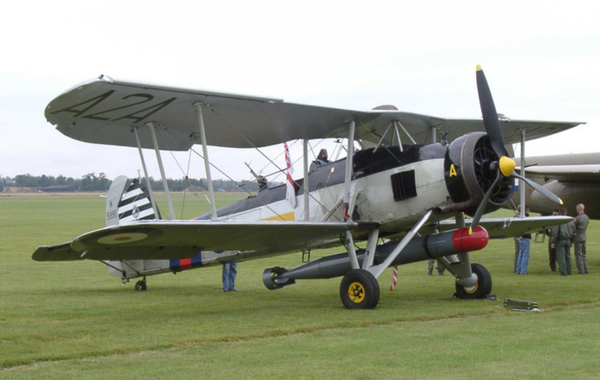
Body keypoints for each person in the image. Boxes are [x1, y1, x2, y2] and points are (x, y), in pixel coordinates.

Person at [554, 207, 576, 276]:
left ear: (560, 213)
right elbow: (574, 232)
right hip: (568, 240)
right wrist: (572, 241)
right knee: (568, 256)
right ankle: (569, 271)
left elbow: (555, 232)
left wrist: (553, 242)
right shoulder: (571, 220)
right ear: (566, 212)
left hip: (560, 240)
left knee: (561, 257)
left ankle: (563, 272)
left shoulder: (559, 221)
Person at [574, 203, 590, 274]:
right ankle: (586, 269)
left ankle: (581, 270)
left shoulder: (577, 218)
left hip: (578, 236)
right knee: (584, 254)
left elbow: (573, 227)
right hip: (584, 236)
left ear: (578, 209)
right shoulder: (586, 217)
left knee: (578, 254)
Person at [515, 206, 531, 275]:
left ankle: (518, 270)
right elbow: (526, 227)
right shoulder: (525, 217)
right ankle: (523, 271)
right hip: (524, 237)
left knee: (520, 254)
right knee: (525, 255)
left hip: (519, 237)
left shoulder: (516, 217)